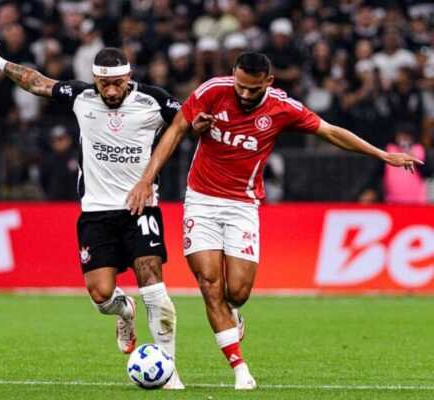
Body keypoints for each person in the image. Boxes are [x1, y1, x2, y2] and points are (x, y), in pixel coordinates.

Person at [126, 52, 422, 390]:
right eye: (239, 86)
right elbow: (178, 129)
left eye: (252, 89)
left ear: (268, 82)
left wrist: (382, 154)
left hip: (243, 205)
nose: (244, 94)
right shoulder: (212, 91)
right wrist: (147, 178)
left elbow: (330, 132)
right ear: (233, 75)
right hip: (201, 200)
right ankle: (240, 369)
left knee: (237, 293)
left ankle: (234, 313)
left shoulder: (283, 108)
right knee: (210, 285)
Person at [0, 39, 185, 389]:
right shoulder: (81, 96)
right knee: (101, 295)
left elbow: (187, 122)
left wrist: (150, 177)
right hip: (96, 213)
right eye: (105, 84)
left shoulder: (154, 100)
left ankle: (169, 370)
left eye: (117, 83)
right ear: (95, 79)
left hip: (140, 207)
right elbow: (36, 82)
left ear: (129, 76)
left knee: (152, 280)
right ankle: (125, 311)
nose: (111, 90)